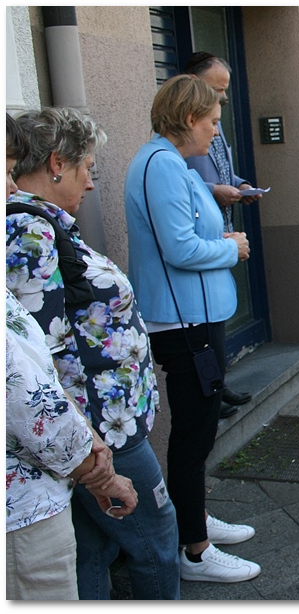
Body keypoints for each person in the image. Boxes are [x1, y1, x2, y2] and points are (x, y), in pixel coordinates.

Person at [5, 107, 177, 599]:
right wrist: (88, 452)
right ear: (57, 163)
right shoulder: (28, 231)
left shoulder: (44, 224)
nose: (92, 183)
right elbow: (39, 353)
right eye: (88, 170)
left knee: (95, 550)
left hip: (98, 426)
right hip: (97, 430)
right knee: (156, 537)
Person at [124, 74, 261, 583]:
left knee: (198, 428)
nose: (215, 134)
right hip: (186, 320)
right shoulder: (161, 165)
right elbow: (179, 249)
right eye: (212, 123)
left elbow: (183, 232)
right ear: (188, 119)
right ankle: (195, 551)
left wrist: (217, 231)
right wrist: (232, 247)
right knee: (194, 431)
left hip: (193, 315)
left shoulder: (167, 163)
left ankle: (194, 519)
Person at [183, 51, 257, 417]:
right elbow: (187, 182)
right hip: (204, 234)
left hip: (220, 226)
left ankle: (219, 385)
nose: (222, 100)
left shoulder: (214, 120)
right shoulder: (175, 142)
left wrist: (238, 184)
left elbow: (222, 165)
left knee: (218, 320)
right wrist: (215, 190)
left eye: (225, 93)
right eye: (216, 90)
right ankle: (212, 392)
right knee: (206, 323)